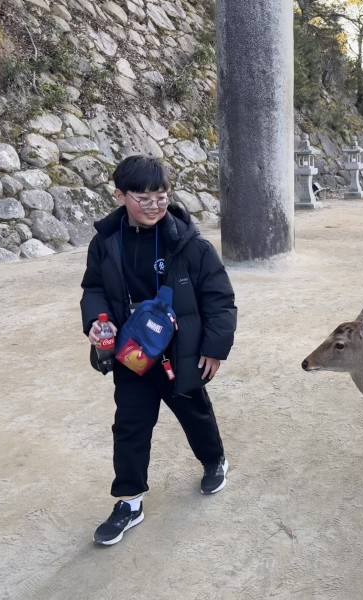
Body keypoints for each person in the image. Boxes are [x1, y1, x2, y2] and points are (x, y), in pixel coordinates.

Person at [80, 155, 238, 546]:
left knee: (194, 413)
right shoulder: (106, 242)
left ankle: (214, 460)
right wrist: (97, 320)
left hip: (180, 353)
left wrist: (214, 348)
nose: (154, 206)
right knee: (129, 426)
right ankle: (129, 501)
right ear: (119, 195)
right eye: (144, 198)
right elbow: (93, 287)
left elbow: (219, 299)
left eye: (162, 197)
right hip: (132, 354)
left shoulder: (191, 245)